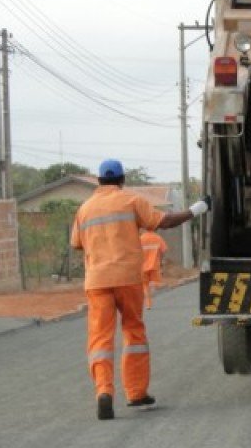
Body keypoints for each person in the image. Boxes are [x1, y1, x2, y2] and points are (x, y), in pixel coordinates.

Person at [70, 159, 210, 420]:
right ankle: (135, 393)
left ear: (99, 181)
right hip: (128, 279)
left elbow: (77, 243)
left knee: (100, 339)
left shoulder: (84, 209)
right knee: (133, 331)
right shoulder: (131, 201)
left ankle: (104, 392)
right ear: (122, 180)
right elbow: (165, 221)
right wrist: (196, 209)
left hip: (97, 281)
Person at [140, 229, 168, 310]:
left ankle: (148, 304)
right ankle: (153, 288)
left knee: (145, 286)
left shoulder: (141, 239)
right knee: (156, 283)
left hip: (143, 267)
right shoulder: (158, 238)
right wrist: (161, 260)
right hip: (155, 266)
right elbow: (164, 250)